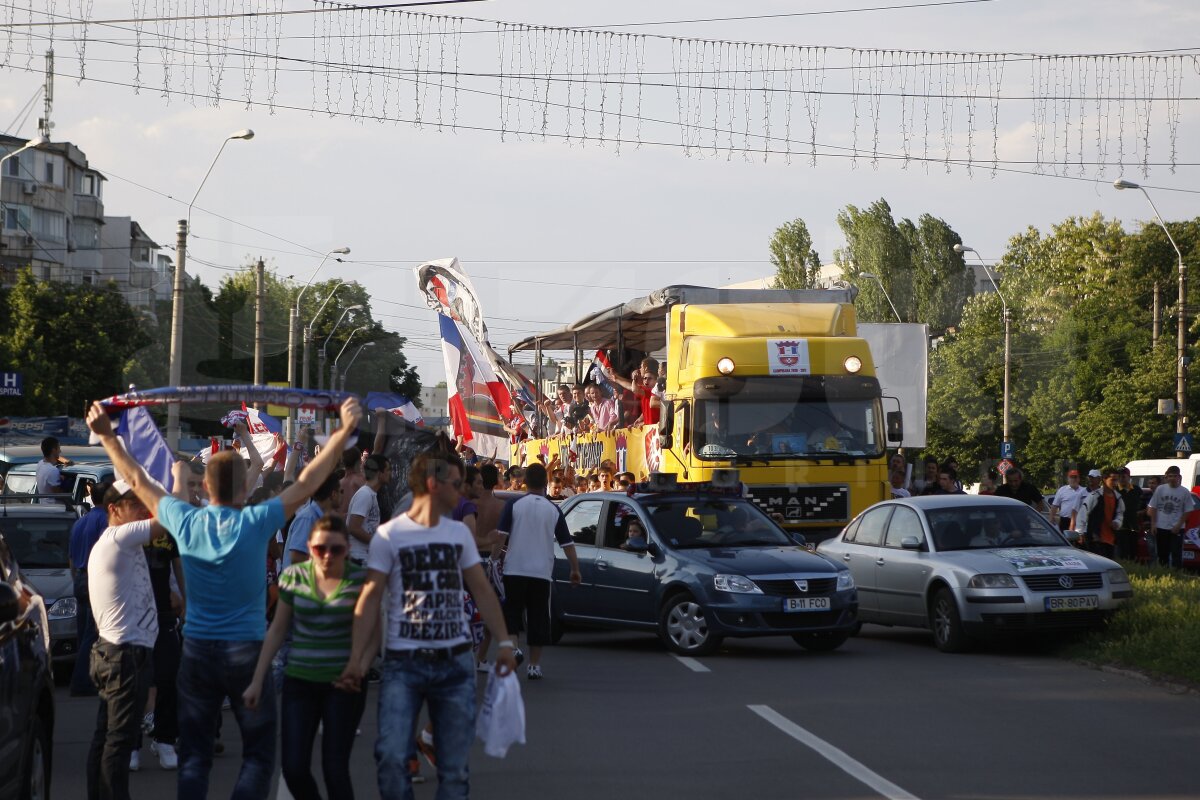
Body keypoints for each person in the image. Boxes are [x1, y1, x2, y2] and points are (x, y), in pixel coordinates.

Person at [86, 397, 362, 800]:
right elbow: (305, 484)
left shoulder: (185, 518)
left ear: (207, 487)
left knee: (195, 757)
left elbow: (139, 481)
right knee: (256, 757)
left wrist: (108, 437)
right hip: (246, 651)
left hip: (197, 650)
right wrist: (340, 435)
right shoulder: (256, 520)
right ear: (244, 486)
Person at [339, 448, 517, 799]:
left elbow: (482, 591)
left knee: (453, 771)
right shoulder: (390, 536)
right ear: (434, 485)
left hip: (455, 663)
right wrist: (357, 660)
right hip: (404, 663)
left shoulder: (458, 535)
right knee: (391, 757)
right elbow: (371, 598)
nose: (463, 491)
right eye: (457, 484)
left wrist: (506, 644)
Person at [243, 515, 373, 800]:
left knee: (335, 768)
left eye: (335, 550)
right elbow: (277, 630)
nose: (327, 556)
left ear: (347, 549)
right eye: (319, 550)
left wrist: (360, 668)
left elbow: (376, 630)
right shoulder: (293, 577)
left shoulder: (360, 579)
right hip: (300, 681)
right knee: (294, 767)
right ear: (310, 548)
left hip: (344, 684)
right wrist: (257, 679)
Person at [85, 477, 163, 800]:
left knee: (107, 738)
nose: (142, 510)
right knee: (118, 742)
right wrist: (180, 481)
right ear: (114, 509)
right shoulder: (120, 537)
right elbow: (169, 519)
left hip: (116, 652)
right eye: (135, 504)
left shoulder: (117, 539)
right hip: (124, 655)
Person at [495, 462, 582, 680]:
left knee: (512, 613)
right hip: (541, 572)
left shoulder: (514, 505)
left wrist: (494, 559)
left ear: (525, 482)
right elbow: (567, 544)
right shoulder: (553, 510)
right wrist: (575, 569)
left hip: (514, 568)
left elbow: (500, 536)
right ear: (545, 482)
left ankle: (514, 648)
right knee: (538, 617)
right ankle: (534, 665)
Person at [69, 480, 111, 697]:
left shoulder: (80, 522)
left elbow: (71, 558)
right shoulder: (105, 520)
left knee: (83, 632)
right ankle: (83, 682)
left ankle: (81, 677)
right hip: (94, 579)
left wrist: (76, 576)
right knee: (92, 634)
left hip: (80, 578)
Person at [285, 471, 345, 565]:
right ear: (333, 494)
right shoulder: (308, 518)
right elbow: (297, 557)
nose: (343, 495)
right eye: (341, 491)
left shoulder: (321, 517)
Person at [1148, 464, 1193, 568]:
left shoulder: (1184, 492)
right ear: (1166, 477)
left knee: (1176, 554)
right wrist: (1153, 524)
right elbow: (1153, 507)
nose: (1172, 478)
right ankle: (1164, 574)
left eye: (1175, 476)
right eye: (1170, 476)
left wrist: (1179, 525)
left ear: (1179, 477)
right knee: (1162, 553)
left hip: (1176, 528)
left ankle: (1176, 575)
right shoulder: (1160, 489)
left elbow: (1188, 511)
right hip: (1161, 526)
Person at [348, 454, 389, 566]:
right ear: (379, 474)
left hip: (365, 557)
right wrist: (377, 542)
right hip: (359, 559)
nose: (390, 473)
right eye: (388, 470)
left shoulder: (371, 494)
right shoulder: (365, 495)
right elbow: (353, 528)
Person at [1075, 469, 1125, 558]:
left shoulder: (1118, 498)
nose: (1115, 483)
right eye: (1113, 480)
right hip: (1095, 539)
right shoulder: (1095, 496)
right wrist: (1079, 532)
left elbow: (1120, 514)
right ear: (1104, 479)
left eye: (1117, 480)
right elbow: (1082, 514)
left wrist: (1117, 522)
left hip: (1111, 539)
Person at [1115, 468, 1144, 560]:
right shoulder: (1115, 490)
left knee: (1133, 551)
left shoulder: (1137, 490)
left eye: (1123, 476)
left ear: (1129, 477)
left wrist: (1140, 512)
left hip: (1133, 525)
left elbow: (1144, 506)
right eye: (1119, 476)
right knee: (1122, 551)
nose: (1121, 479)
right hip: (1120, 526)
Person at [36, 435, 73, 504]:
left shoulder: (40, 464)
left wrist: (65, 461)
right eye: (59, 448)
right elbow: (58, 495)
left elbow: (56, 457)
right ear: (53, 450)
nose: (60, 451)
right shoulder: (52, 470)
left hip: (44, 506)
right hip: (56, 510)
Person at [1050, 470, 1088, 535]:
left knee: (1079, 541)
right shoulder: (1062, 490)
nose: (1073, 479)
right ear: (1068, 479)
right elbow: (1055, 505)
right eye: (1071, 477)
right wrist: (1051, 518)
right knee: (1065, 540)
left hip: (1080, 521)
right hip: (1065, 521)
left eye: (1075, 477)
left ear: (1079, 479)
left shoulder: (1084, 490)